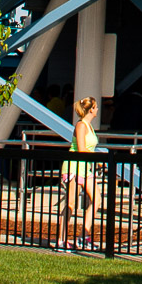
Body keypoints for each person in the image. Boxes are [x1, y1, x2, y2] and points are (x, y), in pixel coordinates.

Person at [57, 97, 100, 251]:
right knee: (70, 203)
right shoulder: (81, 125)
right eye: (95, 107)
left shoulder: (90, 126)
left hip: (85, 168)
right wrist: (98, 159)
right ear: (91, 109)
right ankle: (62, 239)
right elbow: (81, 149)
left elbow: (89, 149)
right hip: (74, 167)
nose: (97, 110)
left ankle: (84, 236)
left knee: (97, 200)